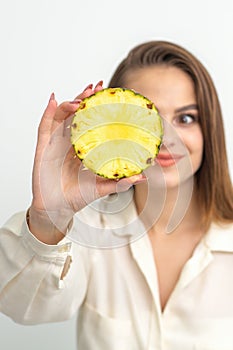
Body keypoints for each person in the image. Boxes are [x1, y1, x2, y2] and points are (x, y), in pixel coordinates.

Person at [0, 40, 233, 350]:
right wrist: (48, 216)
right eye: (144, 118)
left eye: (186, 118)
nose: (166, 138)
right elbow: (23, 307)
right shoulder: (86, 231)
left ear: (210, 129)